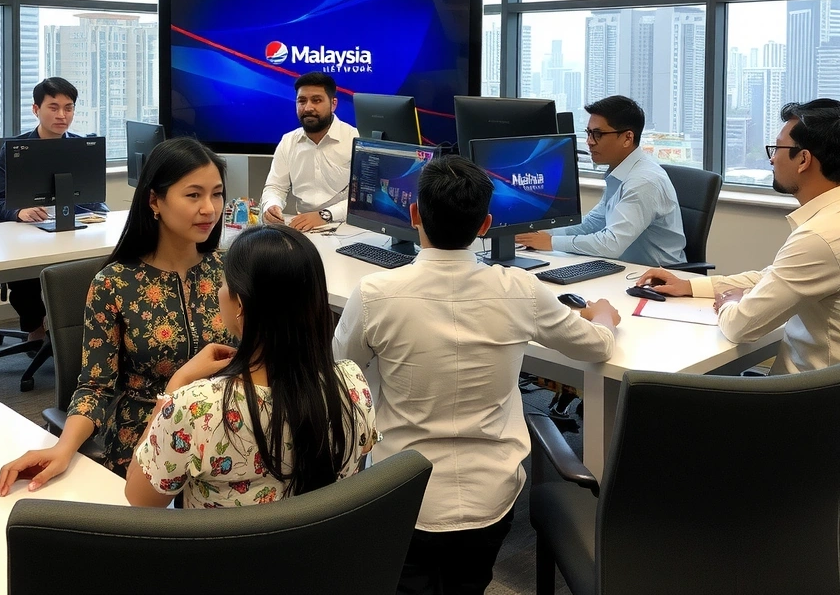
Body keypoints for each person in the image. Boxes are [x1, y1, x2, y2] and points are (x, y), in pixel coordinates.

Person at [334, 155, 619, 595]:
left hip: (403, 495)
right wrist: (603, 316)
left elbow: (340, 370)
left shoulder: (375, 295)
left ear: (414, 215)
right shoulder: (520, 290)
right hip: (491, 501)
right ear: (486, 225)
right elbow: (597, 346)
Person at [0, 137, 237, 494]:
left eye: (216, 194)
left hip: (225, 429)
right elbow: (96, 386)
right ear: (154, 201)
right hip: (143, 438)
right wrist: (63, 447)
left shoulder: (230, 270)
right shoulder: (115, 283)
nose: (209, 209)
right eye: (193, 195)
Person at [125, 225, 376, 507]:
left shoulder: (194, 408)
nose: (218, 291)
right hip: (316, 537)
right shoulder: (353, 386)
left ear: (240, 304)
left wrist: (176, 384)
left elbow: (140, 501)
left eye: (223, 283)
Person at [638, 99, 840, 373]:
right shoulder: (830, 223)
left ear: (803, 160)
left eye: (777, 148)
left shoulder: (819, 237)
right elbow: (774, 276)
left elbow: (740, 327)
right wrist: (691, 286)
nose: (772, 159)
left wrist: (731, 302)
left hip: (803, 394)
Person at [0, 77, 107, 340]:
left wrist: (100, 214)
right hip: (29, 234)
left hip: (75, 231)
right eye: (54, 107)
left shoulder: (82, 148)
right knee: (26, 274)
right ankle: (35, 330)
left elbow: (95, 199)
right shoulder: (14, 151)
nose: (62, 115)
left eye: (68, 108)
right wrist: (18, 212)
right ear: (36, 109)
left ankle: (84, 336)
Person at [516, 94, 685, 268]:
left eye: (598, 134)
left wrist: (551, 242)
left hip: (658, 275)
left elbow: (611, 244)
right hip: (627, 269)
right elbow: (592, 224)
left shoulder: (644, 181)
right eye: (589, 133)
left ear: (627, 138)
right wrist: (539, 234)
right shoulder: (620, 172)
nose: (589, 142)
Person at [260, 72, 359, 232]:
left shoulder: (355, 139)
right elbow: (276, 187)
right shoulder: (288, 141)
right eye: (302, 101)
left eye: (316, 100)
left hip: (349, 228)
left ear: (333, 104)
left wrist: (325, 215)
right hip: (304, 229)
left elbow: (364, 197)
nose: (308, 108)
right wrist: (271, 206)